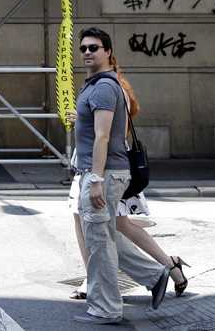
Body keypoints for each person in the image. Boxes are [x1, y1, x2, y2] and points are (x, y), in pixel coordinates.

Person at [69, 49, 190, 300]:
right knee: (105, 224)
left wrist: (96, 177)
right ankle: (166, 268)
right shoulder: (104, 87)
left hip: (105, 167)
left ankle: (162, 269)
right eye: (84, 50)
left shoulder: (110, 88)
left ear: (109, 57)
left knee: (103, 225)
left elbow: (111, 133)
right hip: (101, 166)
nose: (87, 55)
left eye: (94, 50)